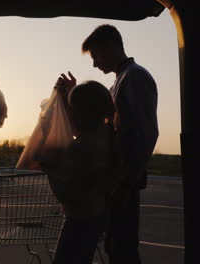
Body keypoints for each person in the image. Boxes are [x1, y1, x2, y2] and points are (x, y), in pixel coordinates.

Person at [57, 24, 159, 264]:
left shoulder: (134, 77)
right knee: (116, 247)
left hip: (121, 182)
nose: (94, 64)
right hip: (114, 182)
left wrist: (124, 181)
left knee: (123, 250)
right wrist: (74, 95)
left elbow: (142, 136)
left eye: (95, 56)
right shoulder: (120, 81)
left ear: (110, 46)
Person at [41, 80, 116, 264]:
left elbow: (65, 194)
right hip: (97, 216)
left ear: (84, 112)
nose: (69, 114)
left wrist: (49, 167)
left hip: (78, 220)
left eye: (72, 109)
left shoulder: (80, 148)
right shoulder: (108, 136)